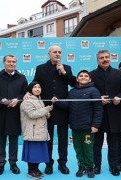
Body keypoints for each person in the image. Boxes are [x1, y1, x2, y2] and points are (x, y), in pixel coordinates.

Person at [31, 45, 76, 175]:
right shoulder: (40, 68)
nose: (57, 54)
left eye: (59, 52)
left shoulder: (66, 68)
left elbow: (73, 83)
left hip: (62, 108)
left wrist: (64, 73)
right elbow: (35, 84)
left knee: (63, 139)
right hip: (46, 109)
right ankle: (48, 164)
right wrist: (29, 92)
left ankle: (63, 164)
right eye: (54, 52)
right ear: (49, 54)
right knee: (47, 138)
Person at [53, 70, 103, 178]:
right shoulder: (72, 91)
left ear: (90, 79)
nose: (83, 77)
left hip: (88, 127)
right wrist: (57, 101)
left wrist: (95, 125)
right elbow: (67, 105)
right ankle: (81, 167)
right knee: (78, 149)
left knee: (88, 149)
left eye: (86, 76)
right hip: (75, 127)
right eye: (81, 75)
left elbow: (98, 109)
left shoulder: (94, 91)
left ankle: (90, 167)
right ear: (77, 79)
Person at [90, 49, 121, 176]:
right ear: (97, 60)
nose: (105, 59)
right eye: (101, 58)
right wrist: (98, 99)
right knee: (97, 144)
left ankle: (114, 166)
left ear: (110, 58)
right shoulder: (92, 74)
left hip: (115, 114)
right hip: (98, 115)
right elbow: (88, 92)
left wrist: (119, 97)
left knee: (114, 144)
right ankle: (97, 166)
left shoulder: (119, 73)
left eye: (107, 57)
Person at [0, 54, 28, 175]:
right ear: (3, 63)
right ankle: (0, 164)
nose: (12, 64)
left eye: (14, 62)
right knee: (0, 140)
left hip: (15, 113)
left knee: (13, 140)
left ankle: (13, 163)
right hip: (0, 113)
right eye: (9, 61)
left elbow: (25, 93)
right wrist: (1, 100)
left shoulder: (22, 77)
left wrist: (18, 99)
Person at [20, 81, 53, 179]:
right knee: (33, 153)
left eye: (39, 87)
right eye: (35, 87)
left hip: (40, 131)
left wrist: (47, 114)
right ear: (30, 89)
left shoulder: (40, 100)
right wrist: (46, 110)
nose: (37, 89)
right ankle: (31, 171)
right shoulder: (27, 101)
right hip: (32, 132)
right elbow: (32, 114)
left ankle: (36, 169)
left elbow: (40, 114)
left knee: (38, 153)